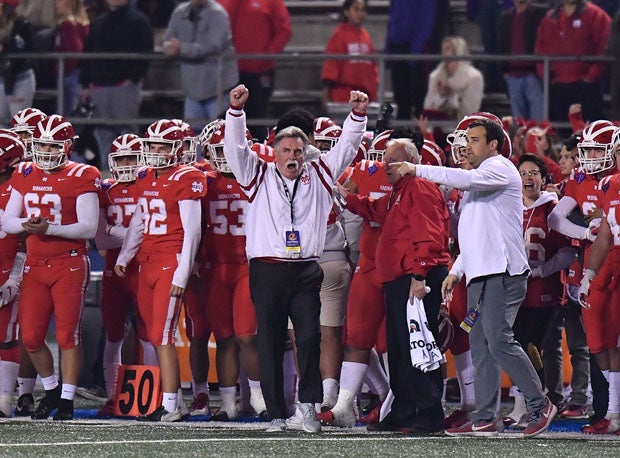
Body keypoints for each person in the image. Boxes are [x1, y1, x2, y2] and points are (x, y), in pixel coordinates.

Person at [392, 119, 557, 437]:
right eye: (466, 139)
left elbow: (465, 178)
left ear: (494, 144)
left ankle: (540, 405)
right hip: (482, 274)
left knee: (498, 340)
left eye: (476, 139)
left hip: (503, 272)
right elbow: (474, 236)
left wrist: (418, 169)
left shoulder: (500, 168)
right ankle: (485, 415)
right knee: (481, 345)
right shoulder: (478, 184)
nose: (468, 145)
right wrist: (456, 272)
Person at [223, 84, 368, 432]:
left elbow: (347, 150)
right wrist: (235, 113)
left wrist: (357, 117)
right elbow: (235, 149)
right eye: (286, 150)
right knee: (271, 341)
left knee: (308, 338)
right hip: (267, 269)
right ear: (273, 151)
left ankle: (308, 405)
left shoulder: (318, 173)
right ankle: (275, 412)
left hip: (305, 270)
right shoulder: (256, 175)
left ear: (307, 152)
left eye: (298, 150)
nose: (292, 156)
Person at [341, 138, 451, 434]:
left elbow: (428, 233)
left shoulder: (419, 186)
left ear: (410, 161)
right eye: (384, 158)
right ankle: (403, 410)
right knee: (401, 349)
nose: (385, 165)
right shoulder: (401, 191)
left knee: (418, 346)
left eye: (392, 160)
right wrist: (345, 197)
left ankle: (429, 414)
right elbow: (377, 211)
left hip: (414, 278)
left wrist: (419, 275)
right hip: (400, 278)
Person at [2, 114, 101, 420]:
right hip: (34, 263)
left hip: (69, 262)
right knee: (30, 337)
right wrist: (30, 225)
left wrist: (48, 229)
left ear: (67, 146)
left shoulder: (83, 174)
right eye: (41, 144)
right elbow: (8, 220)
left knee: (67, 335)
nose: (45, 151)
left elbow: (88, 228)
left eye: (52, 145)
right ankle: (53, 388)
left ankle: (68, 400)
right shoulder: (25, 172)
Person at [114, 119, 207, 422]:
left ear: (178, 149)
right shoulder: (146, 176)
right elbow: (139, 221)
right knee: (153, 333)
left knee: (162, 333)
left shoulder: (187, 177)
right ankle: (170, 400)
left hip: (171, 259)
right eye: (152, 146)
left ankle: (171, 404)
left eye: (161, 147)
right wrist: (126, 255)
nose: (154, 152)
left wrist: (182, 272)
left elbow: (192, 231)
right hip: (148, 261)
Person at [503, 153, 576, 427]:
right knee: (515, 346)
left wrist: (541, 270)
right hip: (515, 292)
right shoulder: (510, 207)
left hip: (544, 291)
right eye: (522, 173)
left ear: (544, 179)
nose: (527, 177)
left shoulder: (552, 208)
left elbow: (570, 251)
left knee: (529, 346)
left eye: (533, 172)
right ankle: (523, 406)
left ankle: (540, 401)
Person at [94, 133, 149, 416]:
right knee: (114, 333)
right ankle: (114, 395)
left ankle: (154, 397)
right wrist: (133, 235)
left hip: (145, 269)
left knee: (150, 334)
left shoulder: (150, 185)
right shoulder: (105, 190)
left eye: (132, 157)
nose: (127, 163)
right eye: (122, 158)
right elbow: (101, 240)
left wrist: (119, 235)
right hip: (115, 272)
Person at [79, 0, 154, 170]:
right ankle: (109, 178)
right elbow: (87, 54)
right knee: (104, 134)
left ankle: (132, 177)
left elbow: (146, 52)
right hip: (98, 88)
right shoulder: (98, 22)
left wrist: (132, 79)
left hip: (124, 88)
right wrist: (85, 83)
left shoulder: (139, 21)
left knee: (128, 134)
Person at [579, 128, 620, 434]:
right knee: (604, 338)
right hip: (611, 262)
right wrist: (590, 273)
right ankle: (615, 413)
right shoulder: (609, 183)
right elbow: (606, 233)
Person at [219, 0, 292, 141]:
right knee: (226, 121)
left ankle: (259, 155)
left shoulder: (271, 2)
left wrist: (266, 57)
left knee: (256, 119)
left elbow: (284, 30)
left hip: (260, 72)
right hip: (228, 72)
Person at [162, 0, 238, 131]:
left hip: (218, 89)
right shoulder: (180, 13)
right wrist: (168, 47)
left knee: (218, 137)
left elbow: (213, 46)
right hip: (192, 90)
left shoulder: (218, 14)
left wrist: (181, 48)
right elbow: (168, 40)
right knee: (193, 137)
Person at [535, 0, 611, 123]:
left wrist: (590, 77)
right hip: (557, 87)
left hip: (586, 87)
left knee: (589, 131)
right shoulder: (549, 18)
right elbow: (540, 50)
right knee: (562, 132)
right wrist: (546, 77)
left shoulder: (595, 15)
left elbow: (605, 47)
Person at [0, 129, 27, 417]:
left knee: (6, 335)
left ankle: (4, 399)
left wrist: (15, 276)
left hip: (8, 267)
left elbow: (27, 241)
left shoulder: (21, 188)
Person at [321, 0, 378, 108]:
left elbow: (373, 68)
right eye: (356, 9)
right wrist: (326, 97)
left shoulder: (366, 36)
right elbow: (331, 67)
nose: (360, 14)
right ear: (347, 12)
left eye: (363, 10)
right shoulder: (338, 36)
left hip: (365, 98)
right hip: (344, 97)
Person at [384, 0, 436, 119]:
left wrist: (415, 51)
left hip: (415, 48)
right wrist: (388, 49)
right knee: (400, 96)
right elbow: (393, 17)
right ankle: (402, 132)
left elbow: (426, 19)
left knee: (418, 99)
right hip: (397, 46)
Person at [498, 0, 547, 122]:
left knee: (537, 120)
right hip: (513, 74)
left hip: (533, 73)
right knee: (518, 121)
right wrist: (504, 70)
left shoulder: (540, 13)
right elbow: (503, 44)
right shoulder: (506, 17)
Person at [423, 36, 484, 121]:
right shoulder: (435, 76)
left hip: (462, 127)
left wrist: (453, 95)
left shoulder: (474, 77)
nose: (444, 52)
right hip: (437, 126)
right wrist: (440, 96)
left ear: (458, 51)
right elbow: (427, 106)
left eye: (448, 48)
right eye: (443, 48)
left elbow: (471, 111)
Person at [0, 0, 36, 125]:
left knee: (20, 125)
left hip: (20, 79)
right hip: (2, 79)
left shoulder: (22, 25)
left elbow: (27, 51)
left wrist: (5, 47)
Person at [54, 0, 89, 116]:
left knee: (67, 118)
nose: (56, 3)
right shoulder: (82, 23)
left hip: (71, 75)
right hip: (80, 74)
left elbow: (75, 52)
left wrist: (62, 69)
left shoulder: (68, 24)